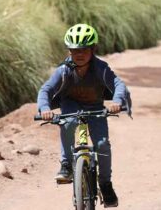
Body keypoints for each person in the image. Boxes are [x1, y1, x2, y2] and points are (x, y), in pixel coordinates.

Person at [37, 23, 132, 207]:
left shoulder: (101, 68)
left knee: (102, 145)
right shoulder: (64, 70)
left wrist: (117, 102)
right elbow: (46, 89)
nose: (79, 54)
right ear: (69, 51)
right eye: (74, 50)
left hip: (95, 107)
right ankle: (66, 165)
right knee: (68, 123)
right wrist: (45, 108)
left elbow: (119, 85)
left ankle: (105, 184)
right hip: (70, 105)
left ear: (93, 49)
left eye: (84, 49)